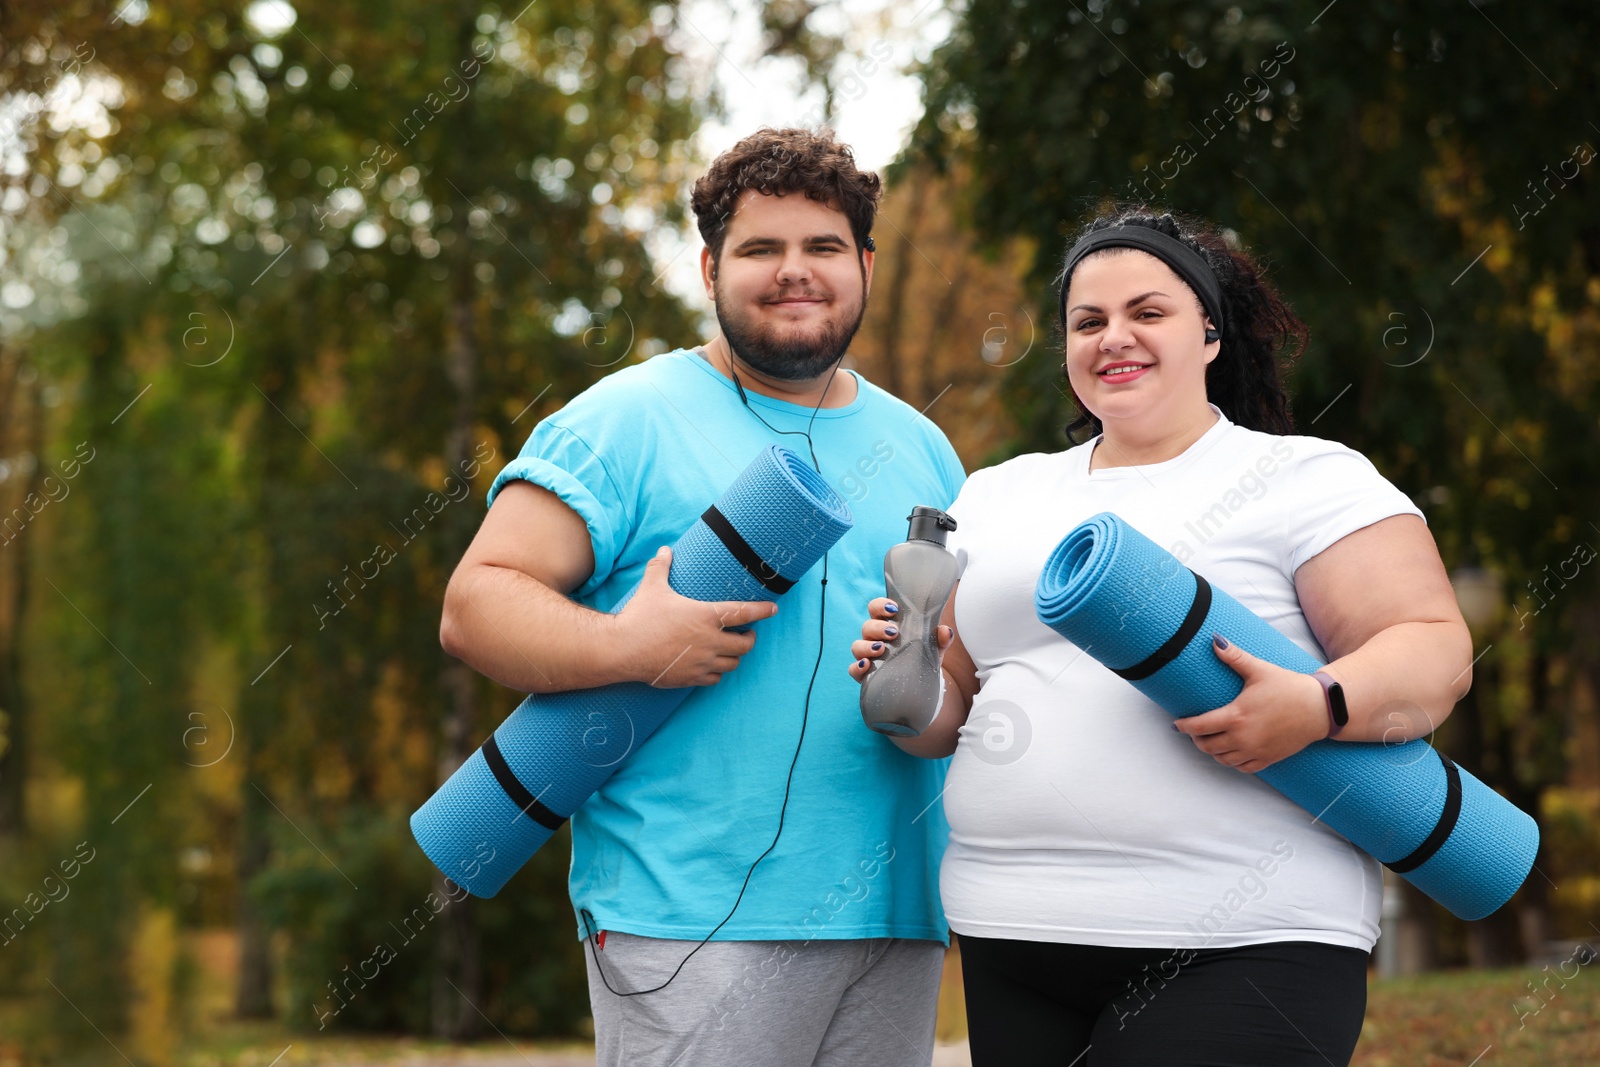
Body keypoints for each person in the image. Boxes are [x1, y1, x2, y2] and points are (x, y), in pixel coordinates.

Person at [848, 209, 1474, 1066]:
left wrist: (1319, 703)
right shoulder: (999, 493)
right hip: (1011, 935)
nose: (1115, 338)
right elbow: (947, 716)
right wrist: (898, 680)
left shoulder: (1303, 478)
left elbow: (1435, 649)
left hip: (1244, 939)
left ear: (1210, 334)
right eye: (1088, 321)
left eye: (1149, 313)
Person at [440, 127, 966, 1067]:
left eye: (823, 248)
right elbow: (475, 603)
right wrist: (631, 648)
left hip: (894, 914)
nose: (793, 272)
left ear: (867, 264)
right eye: (761, 249)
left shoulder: (924, 448)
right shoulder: (625, 419)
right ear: (710, 265)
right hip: (686, 922)